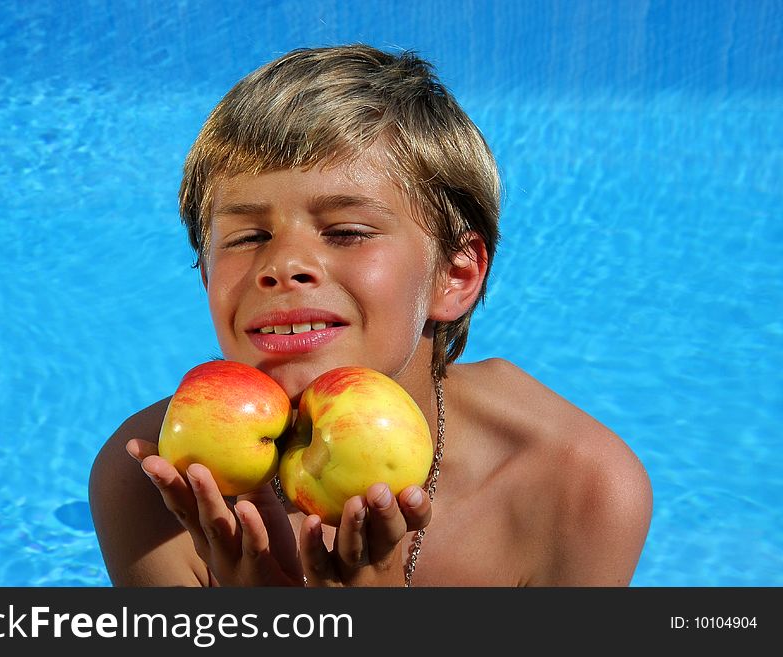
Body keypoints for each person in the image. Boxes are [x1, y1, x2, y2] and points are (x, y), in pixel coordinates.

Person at [89, 44, 652, 587]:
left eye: (346, 232)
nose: (283, 265)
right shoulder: (156, 487)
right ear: (209, 280)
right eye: (248, 236)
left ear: (455, 277)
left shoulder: (573, 489)